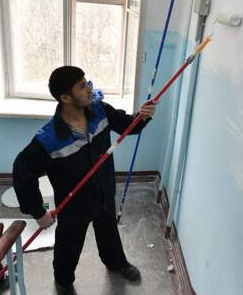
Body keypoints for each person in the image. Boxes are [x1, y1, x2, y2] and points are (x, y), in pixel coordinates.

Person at [12, 66, 156, 294]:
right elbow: (23, 174)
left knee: (109, 233)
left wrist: (143, 116)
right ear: (65, 98)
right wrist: (39, 212)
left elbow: (127, 125)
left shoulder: (100, 111)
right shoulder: (49, 139)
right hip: (74, 206)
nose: (89, 88)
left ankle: (116, 263)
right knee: (68, 245)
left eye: (87, 82)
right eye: (82, 86)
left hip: (104, 193)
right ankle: (63, 280)